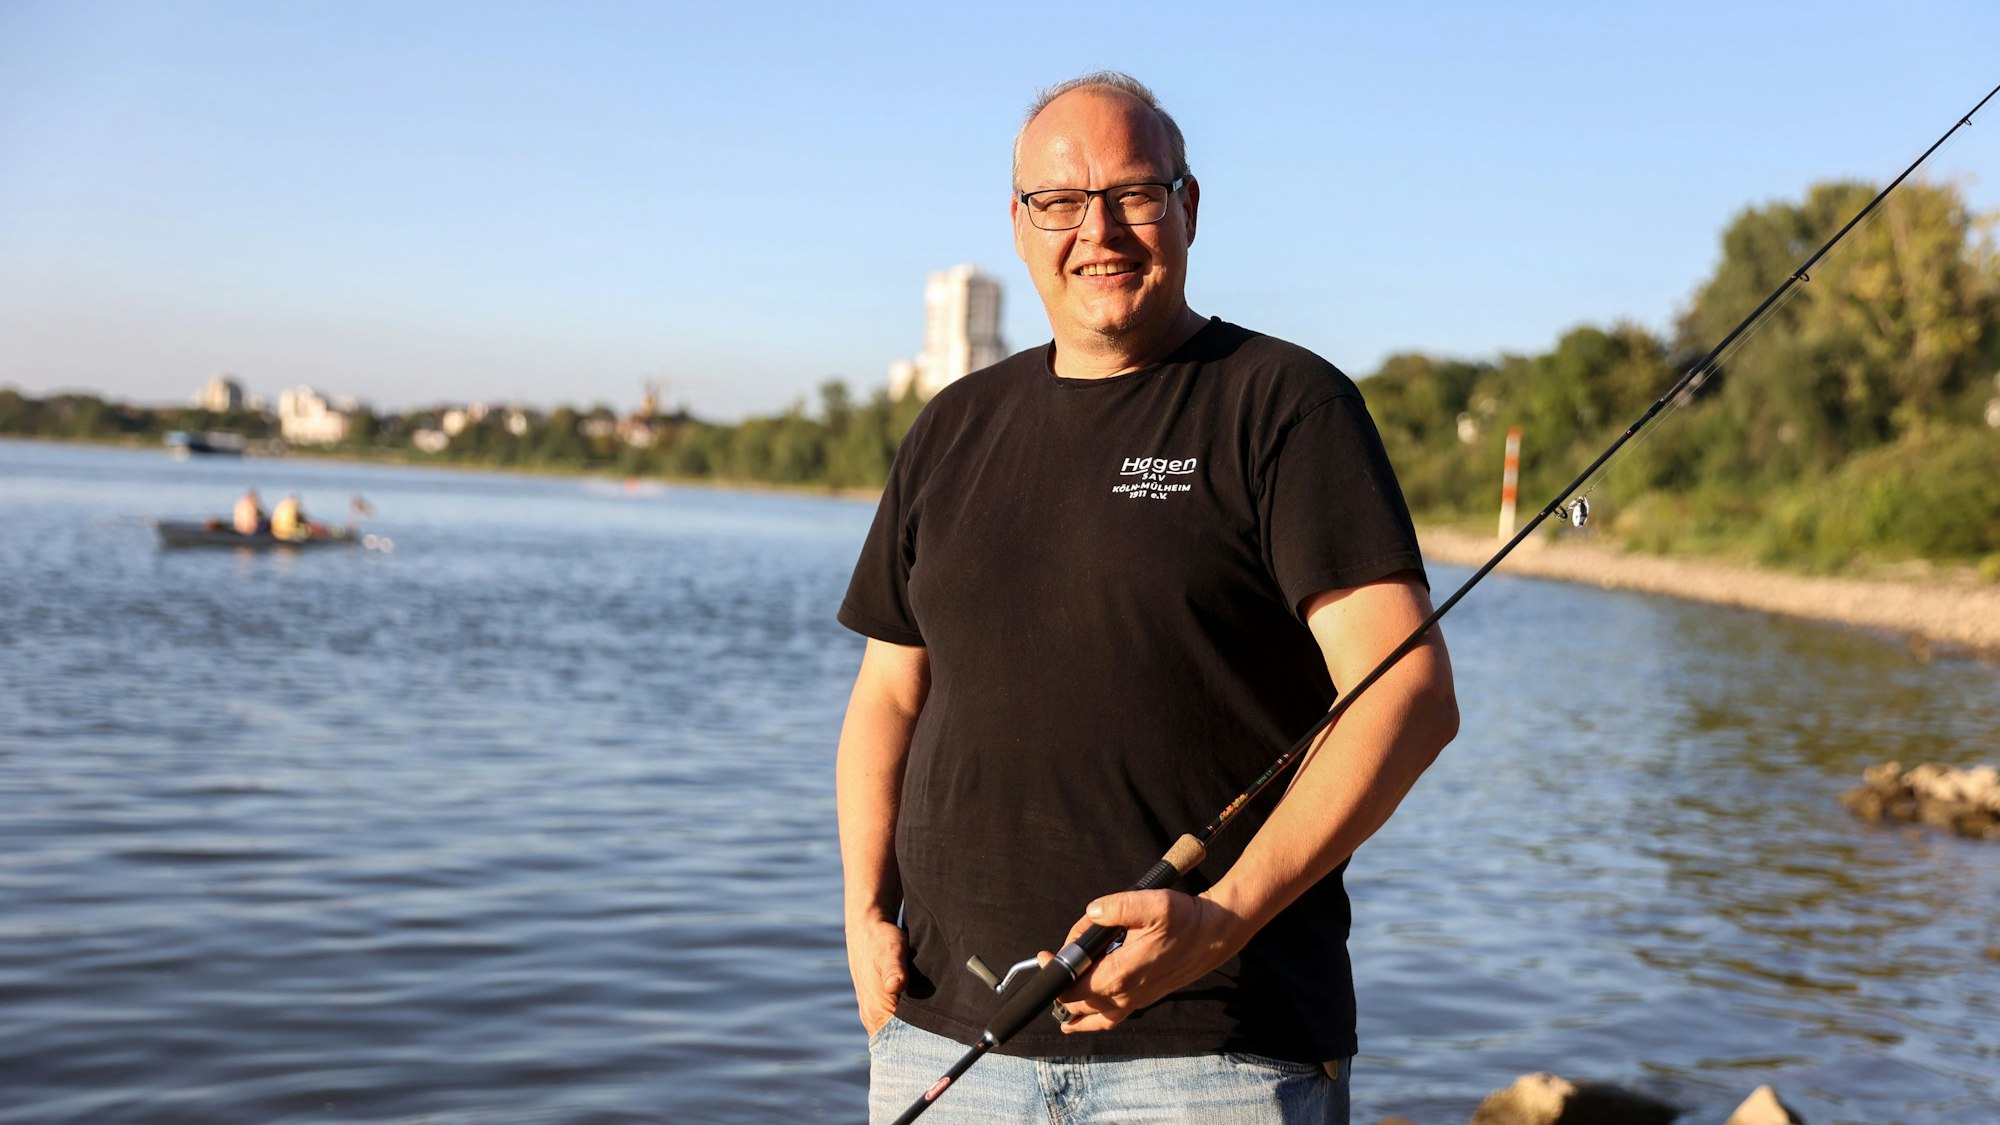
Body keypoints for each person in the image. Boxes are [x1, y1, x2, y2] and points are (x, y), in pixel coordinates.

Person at [835, 72, 1460, 1123]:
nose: (1099, 231)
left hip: (1214, 1055)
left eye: (1133, 193)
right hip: (943, 1038)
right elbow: (888, 696)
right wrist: (862, 911)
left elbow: (1407, 695)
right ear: (1018, 223)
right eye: (1060, 201)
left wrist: (1224, 916)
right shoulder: (951, 427)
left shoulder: (1285, 405)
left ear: (1188, 206)